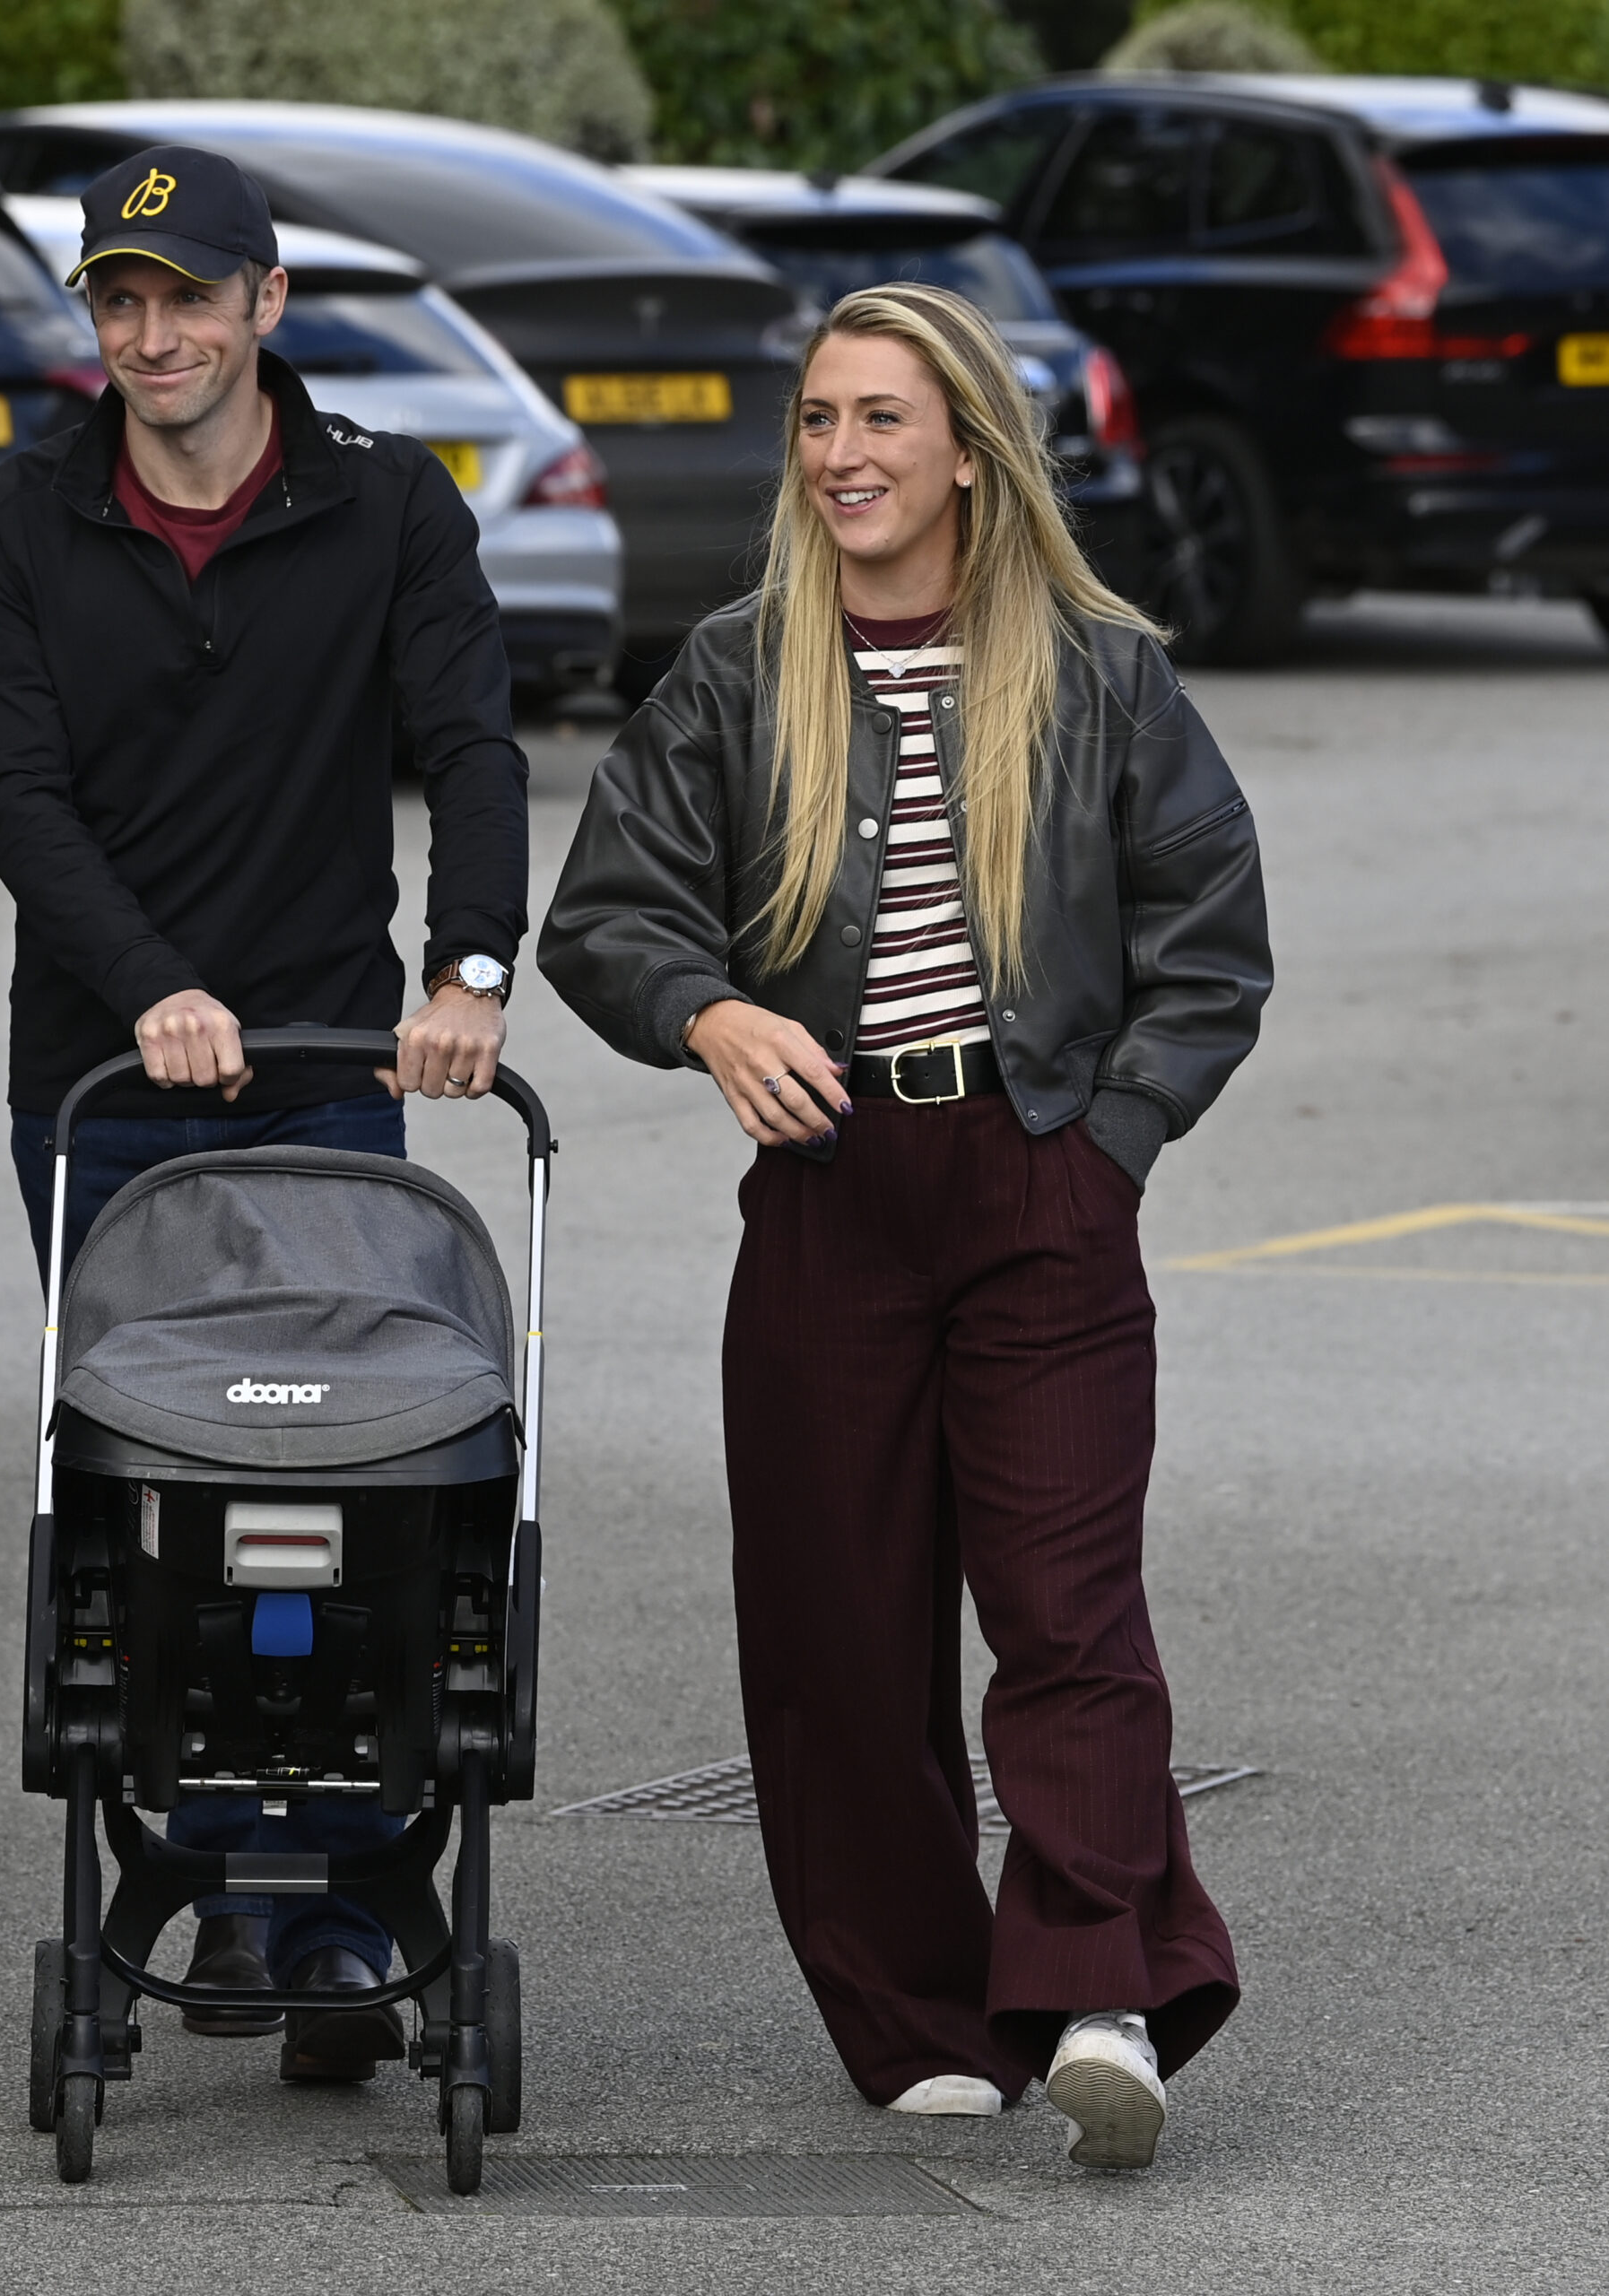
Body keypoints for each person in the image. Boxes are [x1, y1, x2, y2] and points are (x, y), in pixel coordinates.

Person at [539, 284, 1269, 2170]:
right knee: (837, 1628)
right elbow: (607, 912)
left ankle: (1098, 1986)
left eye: (881, 418)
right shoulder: (732, 668)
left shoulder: (1103, 667)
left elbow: (1208, 936)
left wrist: (1110, 1136)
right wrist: (709, 1011)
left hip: (1038, 1179)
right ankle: (919, 2007)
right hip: (828, 1197)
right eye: (817, 420)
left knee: (1064, 1605)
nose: (843, 455)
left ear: (966, 448)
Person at [0, 146, 527, 2081]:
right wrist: (150, 988)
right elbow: (21, 797)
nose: (153, 335)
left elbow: (467, 740)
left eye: (189, 297)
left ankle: (322, 1899)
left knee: (353, 1513)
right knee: (145, 1511)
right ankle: (201, 1860)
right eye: (120, 301)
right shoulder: (18, 520)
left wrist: (465, 975)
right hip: (105, 1097)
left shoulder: (385, 505)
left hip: (327, 1104)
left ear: (266, 304)